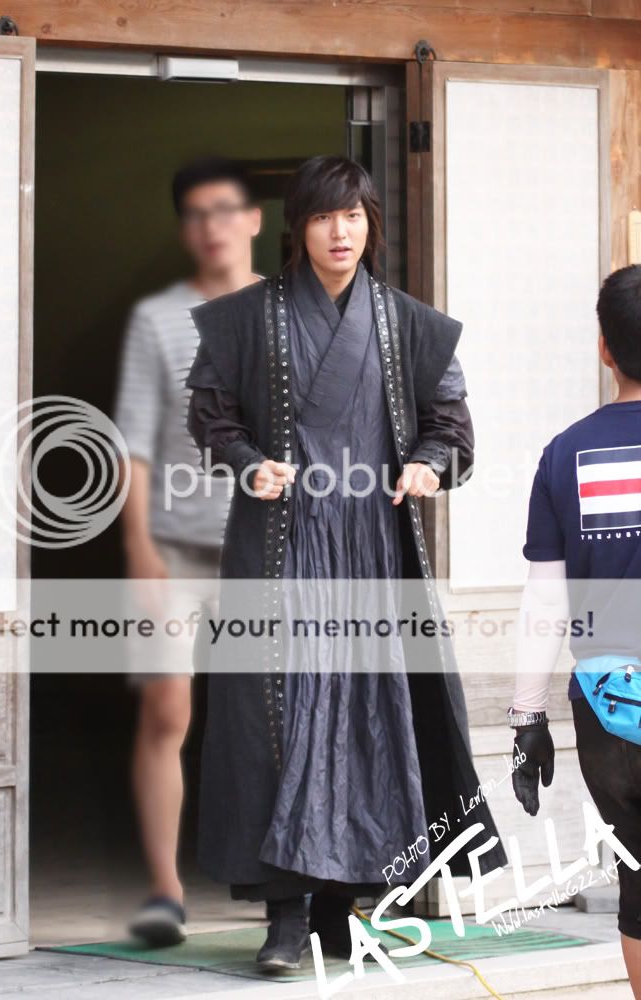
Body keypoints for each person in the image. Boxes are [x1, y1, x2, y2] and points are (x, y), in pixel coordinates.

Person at [185, 154, 507, 971]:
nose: (341, 232)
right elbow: (211, 418)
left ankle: (341, 905)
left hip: (371, 547)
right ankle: (285, 915)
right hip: (281, 545)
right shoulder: (245, 318)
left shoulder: (410, 325)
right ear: (298, 226)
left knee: (367, 717)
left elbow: (452, 428)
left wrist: (427, 464)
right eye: (326, 216)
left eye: (354, 215)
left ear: (371, 224)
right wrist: (248, 463)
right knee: (280, 718)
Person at [113, 157, 262, 946]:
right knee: (168, 709)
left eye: (225, 209)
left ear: (254, 219)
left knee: (276, 715)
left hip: (267, 547)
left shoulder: (289, 306)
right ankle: (165, 890)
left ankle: (282, 879)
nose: (212, 226)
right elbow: (132, 441)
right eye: (197, 213)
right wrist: (138, 548)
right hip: (175, 547)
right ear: (185, 228)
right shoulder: (158, 319)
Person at [509, 264, 641, 998]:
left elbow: (545, 601)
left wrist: (526, 717)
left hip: (609, 709)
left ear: (604, 348)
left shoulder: (565, 455)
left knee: (639, 888)